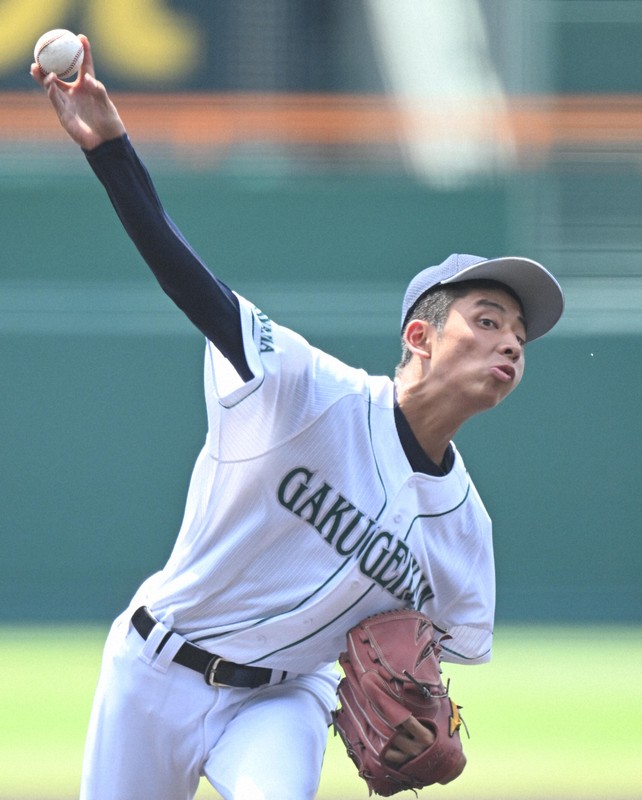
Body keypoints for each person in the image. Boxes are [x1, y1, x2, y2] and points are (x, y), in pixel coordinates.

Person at [31, 37, 564, 800]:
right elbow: (189, 279)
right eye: (486, 319)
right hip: (155, 670)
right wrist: (110, 148)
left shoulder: (465, 532)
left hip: (282, 697)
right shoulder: (307, 391)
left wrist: (432, 733)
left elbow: (426, 678)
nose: (510, 339)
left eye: (519, 333)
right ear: (419, 336)